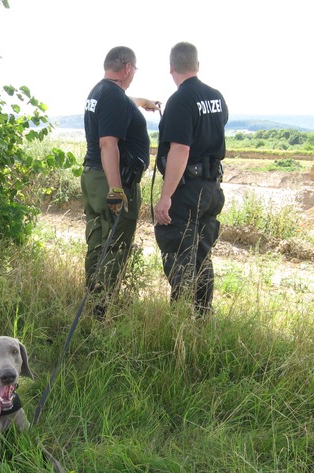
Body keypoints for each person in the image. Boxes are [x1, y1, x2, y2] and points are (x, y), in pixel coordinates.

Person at [81, 46, 160, 317]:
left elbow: (119, 102)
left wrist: (142, 102)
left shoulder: (100, 91)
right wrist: (116, 190)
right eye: (134, 70)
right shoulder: (114, 97)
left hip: (93, 177)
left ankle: (92, 299)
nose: (134, 75)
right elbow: (108, 144)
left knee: (97, 241)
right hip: (110, 180)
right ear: (127, 68)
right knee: (114, 245)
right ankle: (101, 310)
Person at [153, 42, 228, 318]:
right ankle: (202, 316)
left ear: (171, 67)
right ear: (197, 65)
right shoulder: (217, 97)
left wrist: (166, 196)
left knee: (180, 254)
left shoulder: (181, 100)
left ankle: (180, 322)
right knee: (202, 254)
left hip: (187, 191)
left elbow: (181, 150)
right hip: (212, 189)